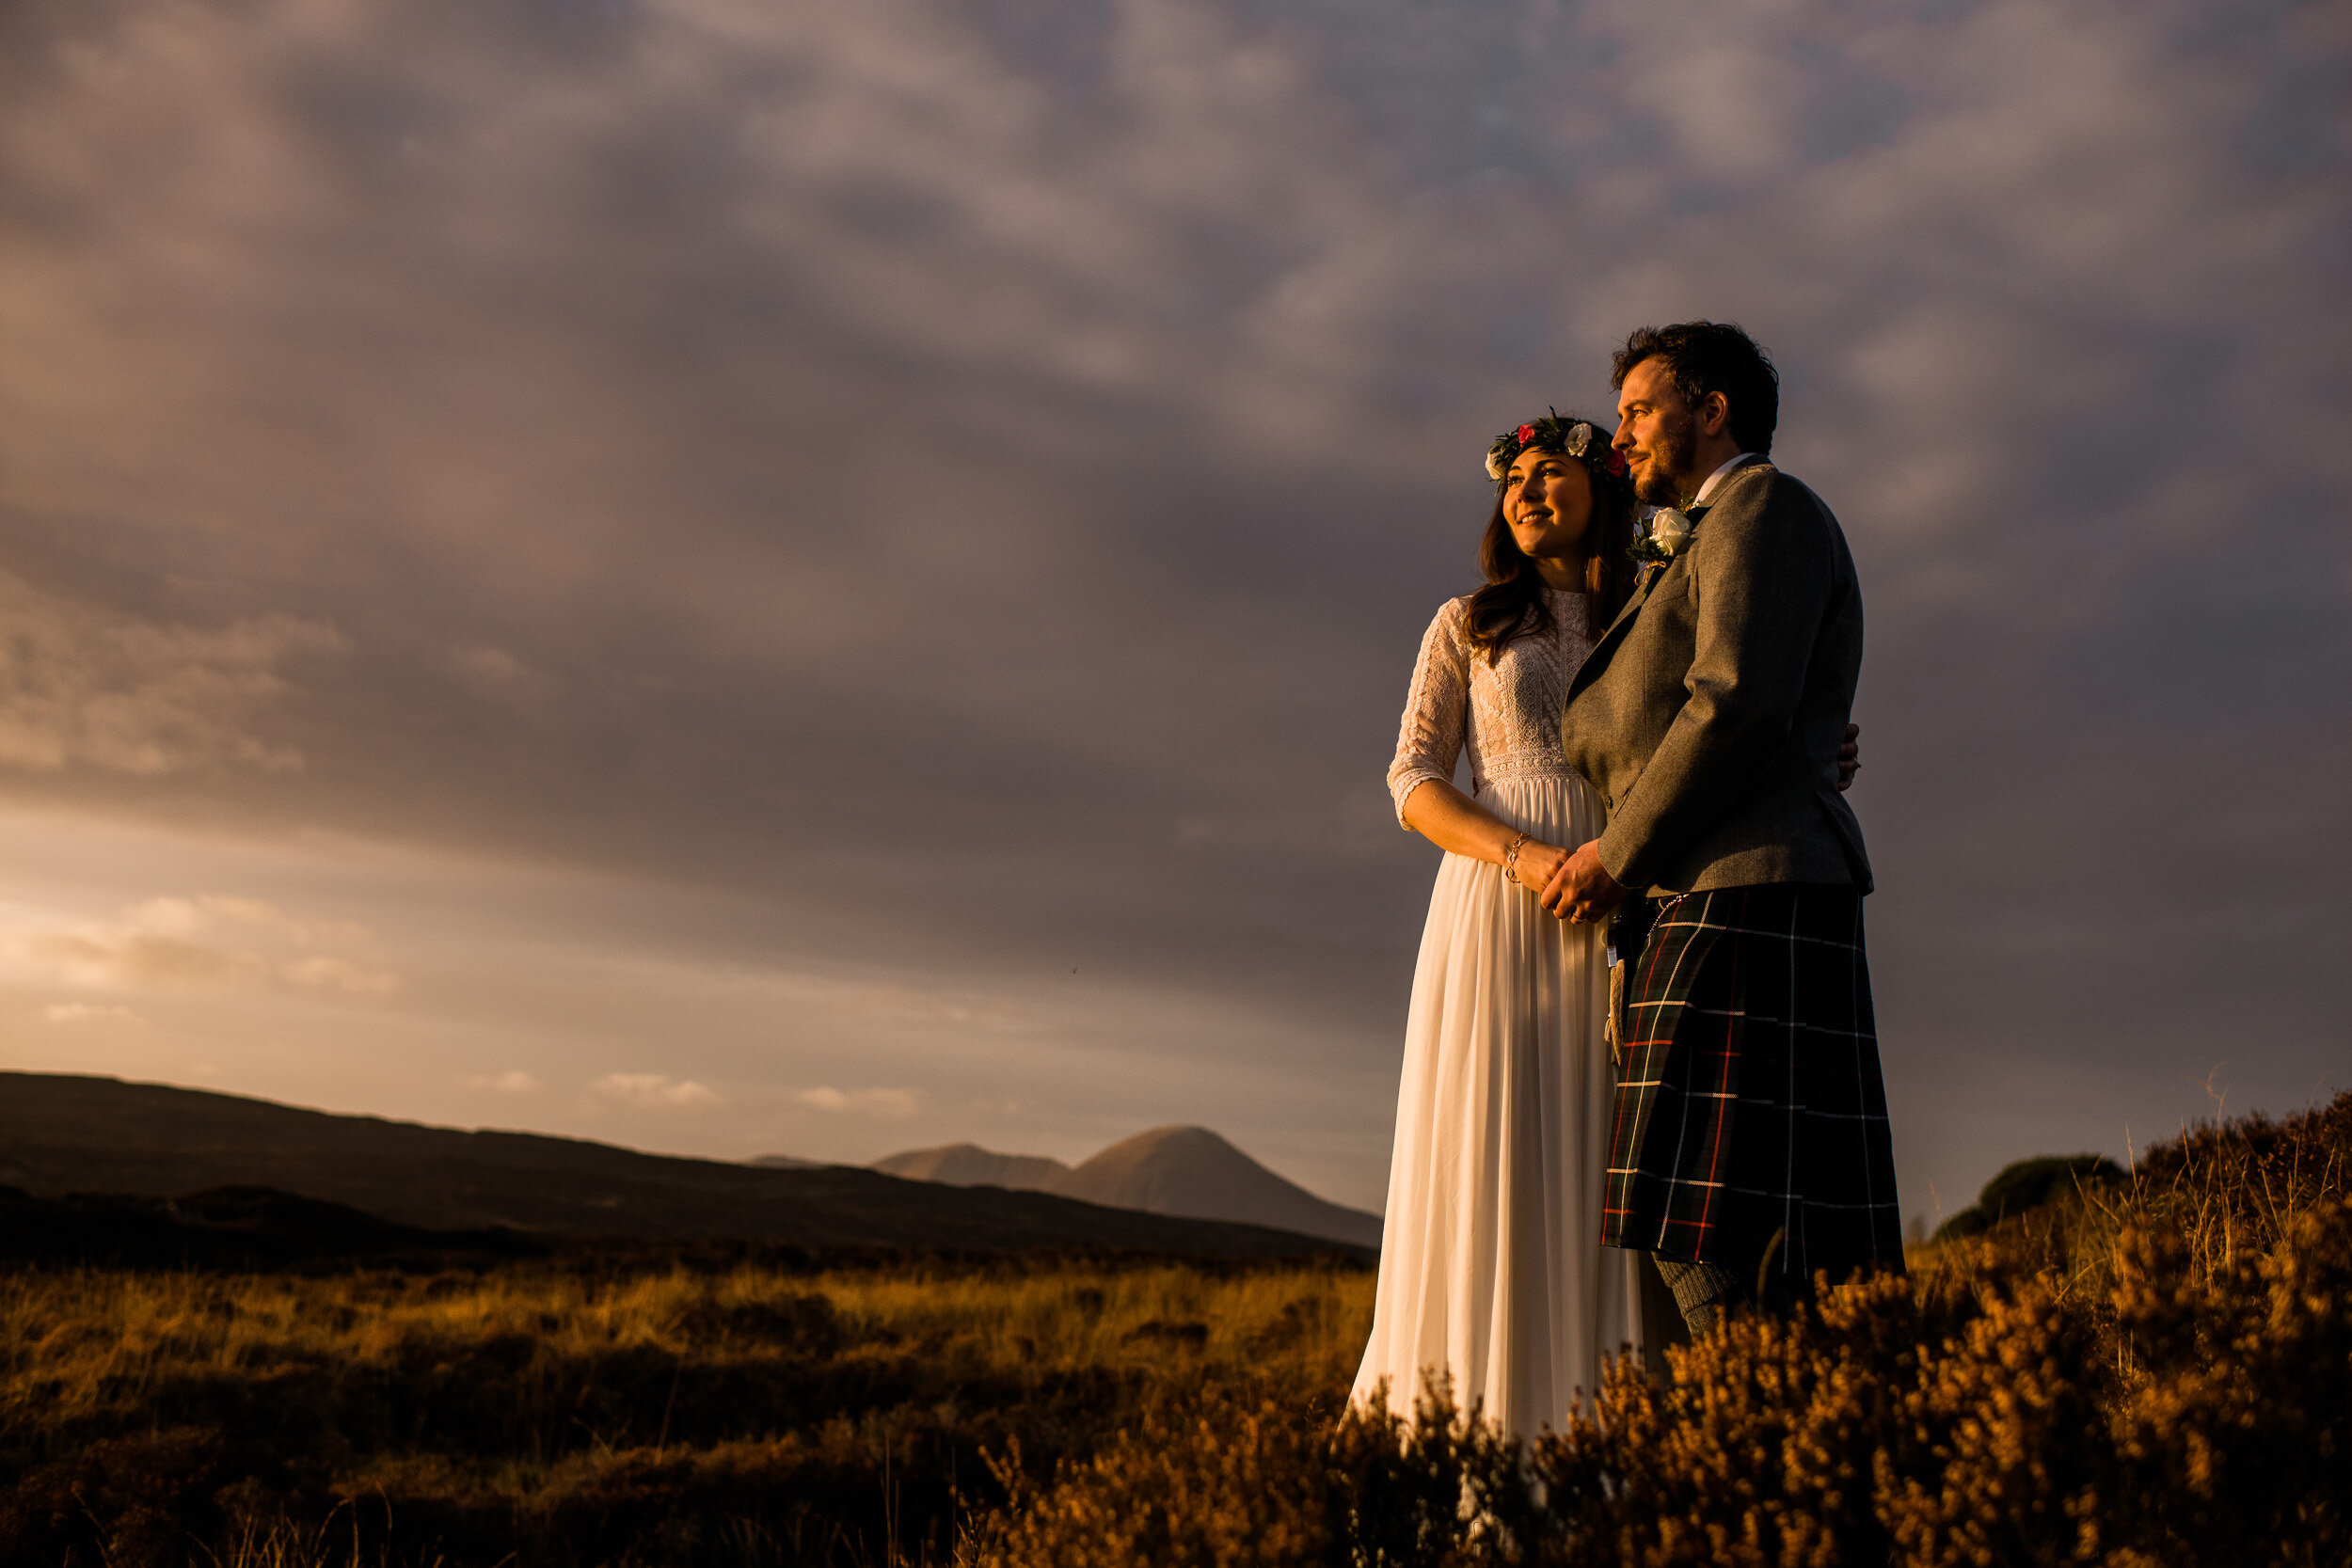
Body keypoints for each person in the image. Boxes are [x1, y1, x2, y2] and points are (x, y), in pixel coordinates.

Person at [1348, 411, 1860, 1433]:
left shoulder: (1658, 601)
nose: (1529, 490)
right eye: (1513, 482)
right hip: (1501, 907)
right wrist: (1528, 856)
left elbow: (1726, 718)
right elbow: (1411, 777)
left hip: (1638, 898)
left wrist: (1805, 758)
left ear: (1604, 487)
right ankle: (1489, 1419)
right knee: (1502, 1146)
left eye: (1552, 472)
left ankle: (1617, 1432)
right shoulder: (1466, 623)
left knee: (1627, 1155)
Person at [1541, 322, 1903, 1338]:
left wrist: (1614, 855)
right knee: (1719, 1215)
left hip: (1749, 889)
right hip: (1714, 892)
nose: (1623, 437)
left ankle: (1757, 1436)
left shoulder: (1763, 506)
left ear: (1713, 412)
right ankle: (1776, 1438)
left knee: (1703, 1216)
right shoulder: (1696, 534)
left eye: (1638, 411)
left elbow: (1735, 698)